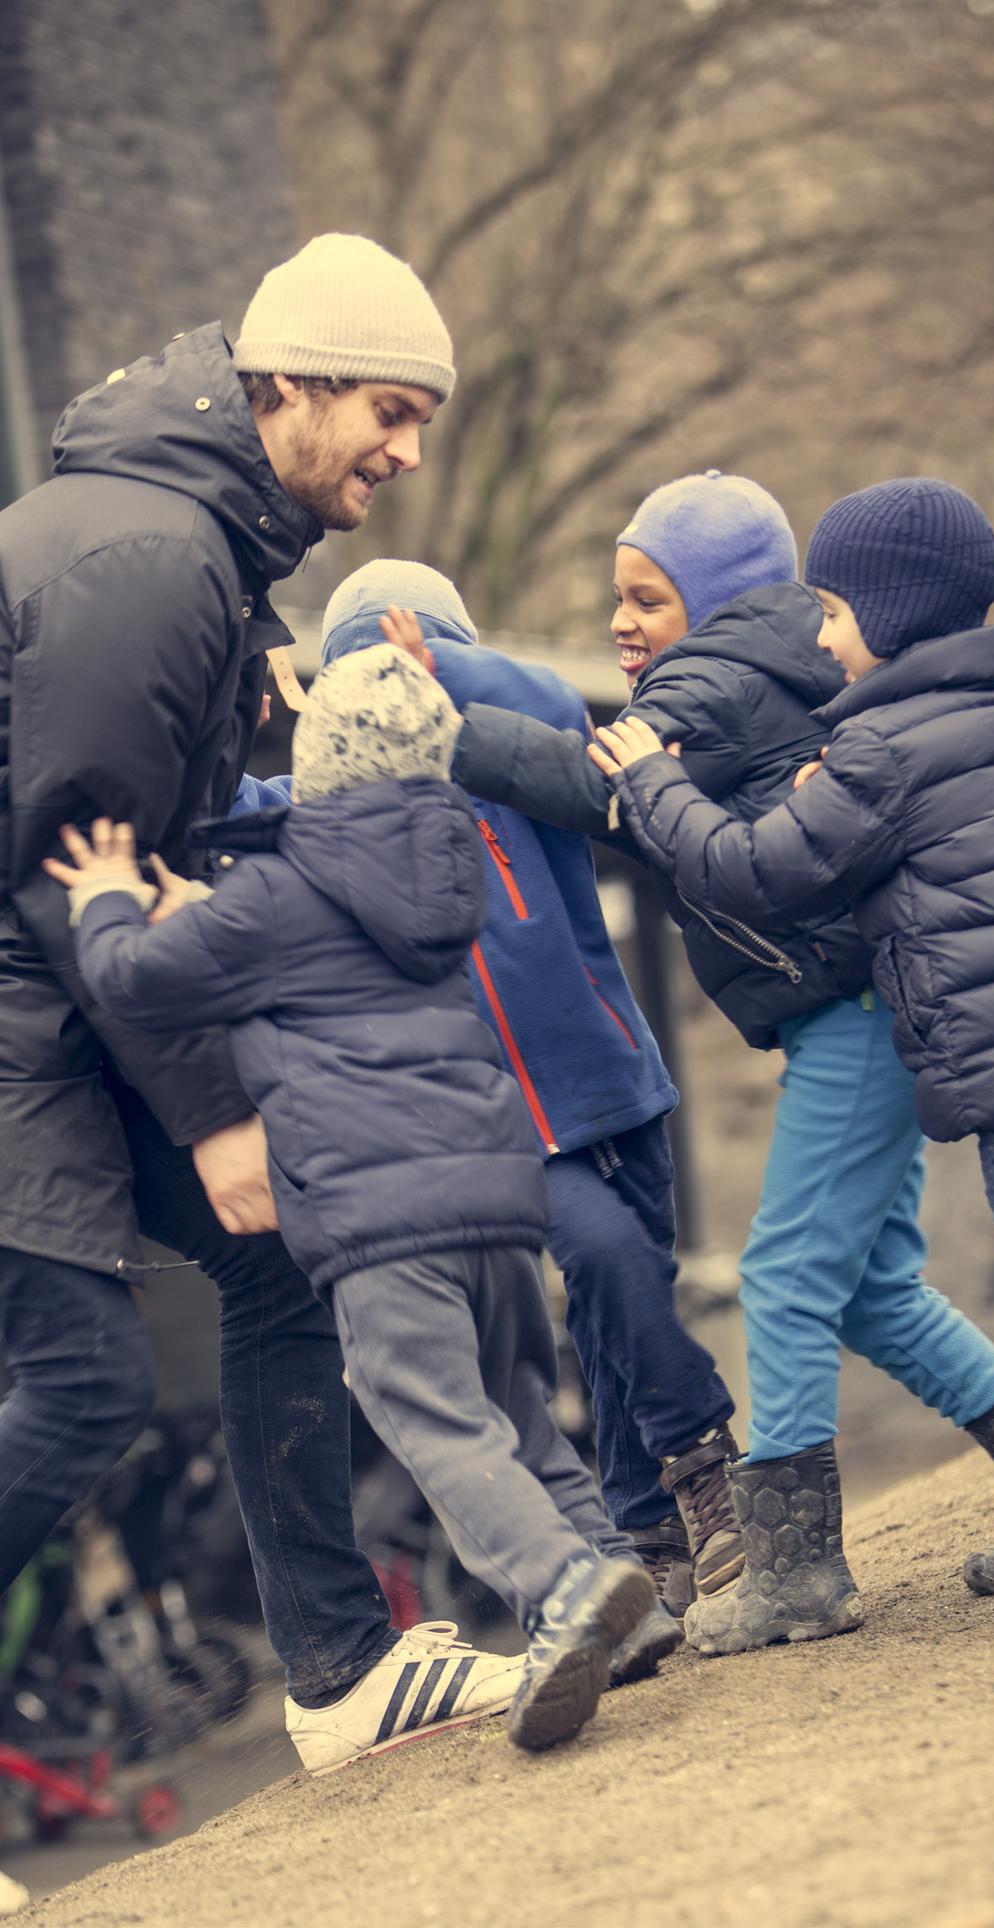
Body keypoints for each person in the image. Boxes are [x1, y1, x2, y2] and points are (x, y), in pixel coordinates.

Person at [0, 232, 523, 1770]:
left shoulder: (197, 555)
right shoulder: (146, 562)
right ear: (286, 388)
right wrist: (218, 1112)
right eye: (386, 410)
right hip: (30, 996)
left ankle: (343, 1671)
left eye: (420, 417)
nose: (407, 451)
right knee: (88, 1376)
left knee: (284, 1258)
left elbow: (136, 836)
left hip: (57, 987)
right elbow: (67, 860)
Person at [44, 645, 659, 1754]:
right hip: (497, 1199)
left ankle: (566, 1588)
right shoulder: (439, 879)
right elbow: (303, 921)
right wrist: (207, 900)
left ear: (316, 762)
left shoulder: (273, 901)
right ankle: (635, 1602)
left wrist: (100, 903)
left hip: (383, 1226)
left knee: (433, 1416)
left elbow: (136, 976)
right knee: (518, 1406)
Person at [588, 476, 994, 1647]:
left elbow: (745, 865)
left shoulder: (768, 708)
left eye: (647, 595)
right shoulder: (868, 700)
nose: (621, 619)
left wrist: (611, 767)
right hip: (873, 1008)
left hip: (858, 1010)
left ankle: (793, 1569)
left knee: (783, 1273)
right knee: (872, 1285)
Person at [316, 560, 739, 1618]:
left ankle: (646, 1529)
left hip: (612, 1074)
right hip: (502, 1120)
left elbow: (555, 704)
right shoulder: (347, 813)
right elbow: (245, 799)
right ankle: (703, 1459)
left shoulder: (523, 755)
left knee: (622, 1290)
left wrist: (438, 668)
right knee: (603, 1256)